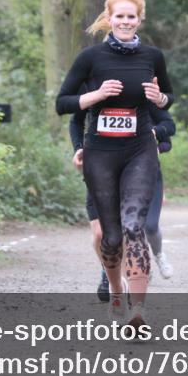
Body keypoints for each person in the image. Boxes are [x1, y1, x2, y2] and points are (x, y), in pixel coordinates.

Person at [56, 0, 173, 328]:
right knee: (110, 237)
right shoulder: (90, 58)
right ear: (108, 19)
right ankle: (116, 289)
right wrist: (97, 95)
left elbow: (168, 100)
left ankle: (138, 311)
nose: (125, 22)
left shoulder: (153, 56)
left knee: (135, 225)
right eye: (119, 16)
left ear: (140, 20)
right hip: (100, 152)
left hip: (139, 149)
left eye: (131, 17)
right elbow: (62, 103)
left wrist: (161, 97)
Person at [71, 101, 176, 302]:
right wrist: (78, 148)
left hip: (135, 173)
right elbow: (75, 121)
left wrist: (152, 139)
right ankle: (110, 271)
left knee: (131, 228)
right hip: (99, 168)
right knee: (100, 234)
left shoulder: (140, 91)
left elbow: (168, 128)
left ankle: (124, 280)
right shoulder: (93, 87)